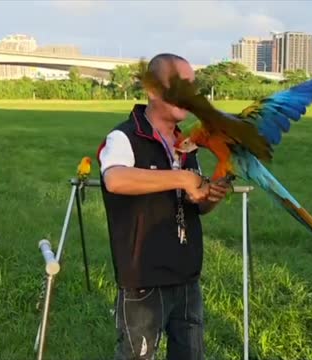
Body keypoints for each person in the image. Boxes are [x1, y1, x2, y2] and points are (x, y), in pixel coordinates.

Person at [97, 53, 229, 360]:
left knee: (190, 354)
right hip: (144, 279)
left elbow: (195, 207)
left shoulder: (186, 144)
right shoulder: (125, 136)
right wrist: (182, 178)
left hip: (187, 276)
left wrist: (211, 196)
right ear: (153, 91)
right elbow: (115, 179)